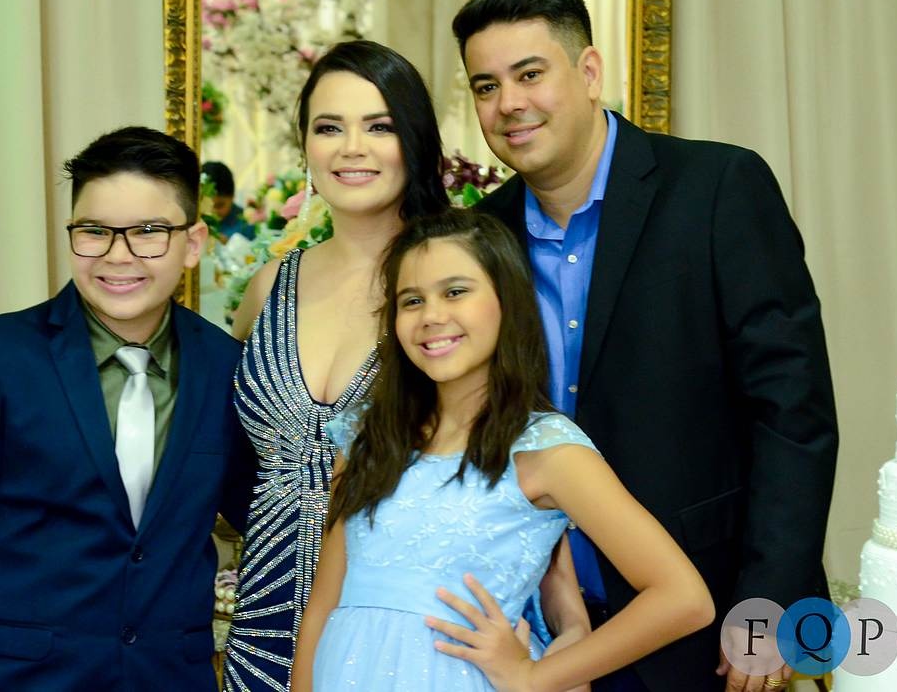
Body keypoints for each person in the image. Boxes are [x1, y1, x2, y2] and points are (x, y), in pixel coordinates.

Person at [454, 0, 839, 691]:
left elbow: (793, 411)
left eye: (530, 74)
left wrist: (770, 600)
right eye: (486, 86)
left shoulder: (717, 187)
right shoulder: (482, 236)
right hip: (540, 631)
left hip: (708, 622)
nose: (509, 103)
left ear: (589, 71)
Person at [0, 127, 255, 690]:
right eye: (94, 232)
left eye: (149, 232)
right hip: (18, 679)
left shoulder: (229, 367)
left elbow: (269, 518)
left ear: (194, 242)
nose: (117, 256)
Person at [291, 208, 715, 691]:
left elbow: (684, 598)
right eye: (412, 300)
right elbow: (322, 603)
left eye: (455, 292)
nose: (432, 316)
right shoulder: (368, 435)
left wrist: (535, 677)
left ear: (506, 301)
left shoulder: (547, 450)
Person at [220, 40, 452, 691]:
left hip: (398, 637)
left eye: (378, 127)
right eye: (329, 127)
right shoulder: (270, 287)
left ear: (414, 141)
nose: (352, 148)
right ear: (305, 146)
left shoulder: (455, 288)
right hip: (261, 632)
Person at [203, 159, 256, 242]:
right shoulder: (194, 221)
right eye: (206, 205)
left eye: (219, 205)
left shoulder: (246, 224)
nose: (213, 211)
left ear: (233, 197)